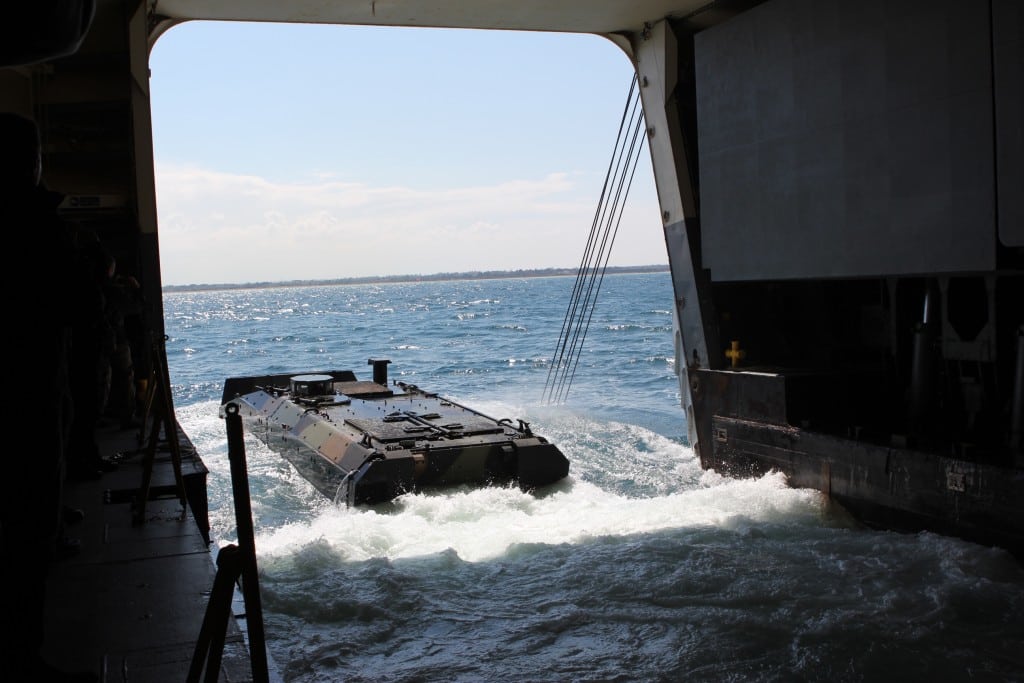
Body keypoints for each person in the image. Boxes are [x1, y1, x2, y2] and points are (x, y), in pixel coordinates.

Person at [0, 111, 98, 683]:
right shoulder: (37, 227)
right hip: (31, 398)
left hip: (35, 394)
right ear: (31, 163)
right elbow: (81, 304)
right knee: (27, 531)